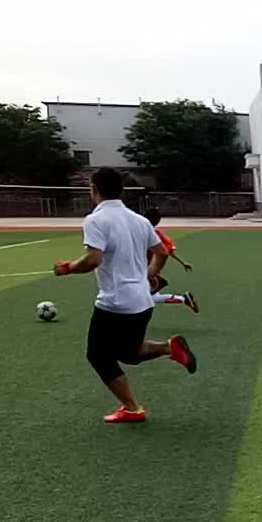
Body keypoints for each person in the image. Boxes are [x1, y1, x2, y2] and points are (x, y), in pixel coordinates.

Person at [53, 168, 197, 424]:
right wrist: (150, 275)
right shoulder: (139, 220)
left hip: (115, 303)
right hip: (142, 301)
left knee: (98, 355)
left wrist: (68, 268)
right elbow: (162, 252)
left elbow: (93, 259)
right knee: (130, 353)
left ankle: (132, 409)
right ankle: (169, 347)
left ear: (94, 189)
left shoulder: (96, 220)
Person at [143, 208, 198, 313]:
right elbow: (169, 250)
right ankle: (184, 299)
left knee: (147, 298)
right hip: (151, 271)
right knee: (153, 297)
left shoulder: (140, 232)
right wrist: (183, 263)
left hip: (143, 272)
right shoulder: (157, 234)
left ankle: (184, 299)